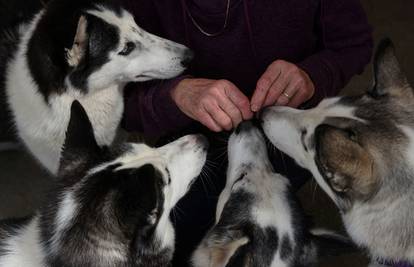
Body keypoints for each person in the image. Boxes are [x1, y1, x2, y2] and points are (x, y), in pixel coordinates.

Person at [121, 0, 373, 265]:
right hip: (187, 133)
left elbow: (353, 43)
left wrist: (311, 77)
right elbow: (113, 101)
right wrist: (173, 96)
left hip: (288, 125)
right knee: (150, 232)